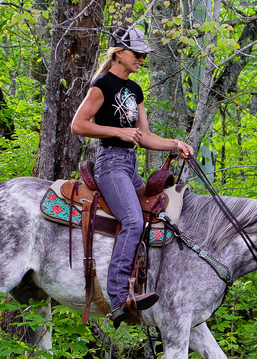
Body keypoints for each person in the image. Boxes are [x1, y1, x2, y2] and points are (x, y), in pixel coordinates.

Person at [71, 27, 193, 328]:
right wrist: (118, 131)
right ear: (119, 53)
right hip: (110, 164)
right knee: (133, 221)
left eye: (143, 55)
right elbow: (79, 124)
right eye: (137, 54)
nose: (141, 59)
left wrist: (175, 145)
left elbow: (146, 137)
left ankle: (148, 286)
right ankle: (118, 298)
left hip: (129, 165)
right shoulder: (102, 85)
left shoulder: (134, 90)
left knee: (160, 217)